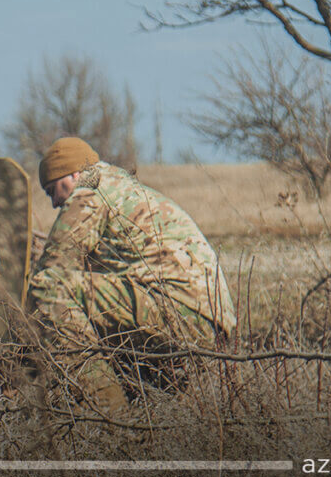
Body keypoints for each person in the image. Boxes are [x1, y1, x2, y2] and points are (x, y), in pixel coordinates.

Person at [28, 137, 236, 410]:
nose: (55, 202)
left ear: (73, 175)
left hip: (175, 312)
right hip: (211, 327)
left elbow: (52, 271)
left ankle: (109, 415)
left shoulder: (90, 190)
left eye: (53, 190)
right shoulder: (122, 188)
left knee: (49, 288)